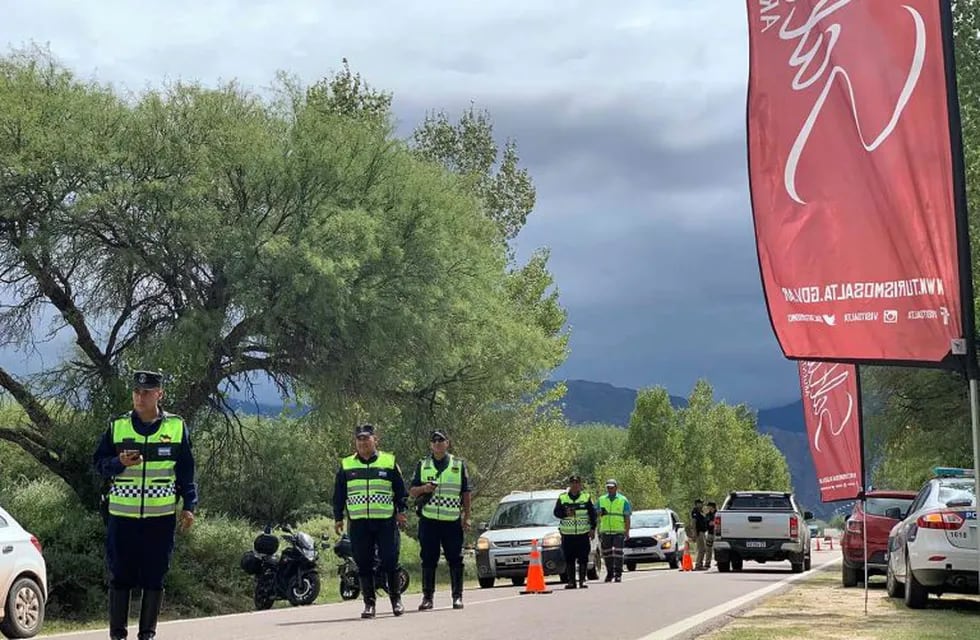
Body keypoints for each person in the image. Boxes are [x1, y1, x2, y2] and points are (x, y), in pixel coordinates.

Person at [92, 370, 197, 640]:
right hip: (121, 516)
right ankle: (117, 635)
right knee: (120, 575)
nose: (140, 397)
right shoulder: (118, 426)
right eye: (136, 392)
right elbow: (98, 464)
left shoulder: (175, 427)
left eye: (147, 392)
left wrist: (189, 505)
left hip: (160, 518)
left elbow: (186, 470)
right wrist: (118, 464)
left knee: (155, 575)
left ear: (159, 394)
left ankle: (147, 634)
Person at [333, 423, 409, 619]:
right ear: (355, 442)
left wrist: (401, 511)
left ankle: (396, 600)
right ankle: (369, 604)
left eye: (366, 438)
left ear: (375, 439)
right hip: (359, 523)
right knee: (363, 562)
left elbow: (401, 491)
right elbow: (339, 494)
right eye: (359, 439)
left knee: (390, 560)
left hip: (385, 521)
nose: (363, 442)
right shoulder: (347, 464)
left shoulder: (389, 462)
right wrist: (337, 517)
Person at [408, 429, 471, 610]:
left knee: (455, 558)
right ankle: (428, 598)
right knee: (428, 558)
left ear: (447, 443)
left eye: (441, 440)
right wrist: (424, 489)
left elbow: (466, 493)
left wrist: (467, 517)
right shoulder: (423, 464)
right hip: (429, 520)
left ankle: (457, 596)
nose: (437, 444)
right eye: (434, 441)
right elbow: (412, 491)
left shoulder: (458, 465)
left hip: (451, 520)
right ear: (430, 445)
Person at [553, 474, 596, 589]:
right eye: (572, 483)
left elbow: (593, 515)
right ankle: (571, 582)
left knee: (583, 558)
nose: (575, 485)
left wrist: (593, 529)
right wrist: (565, 513)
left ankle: (582, 581)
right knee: (569, 558)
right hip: (568, 534)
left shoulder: (586, 497)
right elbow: (556, 513)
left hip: (582, 534)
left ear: (580, 484)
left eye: (577, 483)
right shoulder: (563, 498)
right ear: (570, 484)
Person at [596, 479, 631, 583]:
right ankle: (610, 573)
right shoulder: (601, 499)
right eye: (608, 487)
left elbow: (627, 517)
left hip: (618, 530)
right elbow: (594, 512)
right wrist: (599, 512)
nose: (610, 489)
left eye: (612, 487)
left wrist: (627, 531)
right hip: (605, 530)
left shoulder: (623, 500)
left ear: (616, 488)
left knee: (618, 553)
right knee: (607, 553)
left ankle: (618, 574)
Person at [691, 499, 709, 570]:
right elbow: (694, 523)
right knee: (701, 549)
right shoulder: (695, 512)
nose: (701, 505)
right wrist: (694, 533)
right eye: (700, 503)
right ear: (697, 504)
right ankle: (698, 564)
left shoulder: (700, 512)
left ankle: (700, 564)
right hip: (699, 532)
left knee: (703, 549)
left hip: (703, 532)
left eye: (702, 503)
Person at [704, 501, 718, 570]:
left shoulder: (718, 514)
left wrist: (714, 523)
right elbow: (706, 523)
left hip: (717, 533)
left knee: (717, 548)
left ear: (712, 507)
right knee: (708, 549)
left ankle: (719, 561)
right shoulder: (708, 515)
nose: (708, 507)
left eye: (709, 506)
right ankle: (707, 563)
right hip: (710, 533)